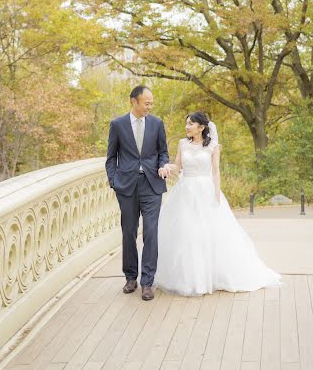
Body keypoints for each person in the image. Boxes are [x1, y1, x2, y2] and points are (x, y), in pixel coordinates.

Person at [154, 111, 281, 296]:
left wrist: (216, 194)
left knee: (209, 233)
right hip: (185, 191)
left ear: (201, 127)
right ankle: (190, 279)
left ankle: (212, 276)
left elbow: (216, 172)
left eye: (190, 124)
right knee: (187, 233)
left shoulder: (213, 146)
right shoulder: (182, 144)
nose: (187, 126)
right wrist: (166, 167)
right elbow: (178, 166)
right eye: (186, 123)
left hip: (206, 190)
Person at [106, 85, 169, 300]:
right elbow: (110, 158)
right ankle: (130, 277)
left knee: (151, 232)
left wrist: (163, 165)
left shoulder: (157, 124)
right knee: (129, 232)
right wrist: (114, 181)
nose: (150, 106)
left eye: (151, 103)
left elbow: (163, 152)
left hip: (152, 185)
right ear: (134, 101)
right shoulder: (117, 125)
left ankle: (147, 282)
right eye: (147, 103)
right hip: (126, 187)